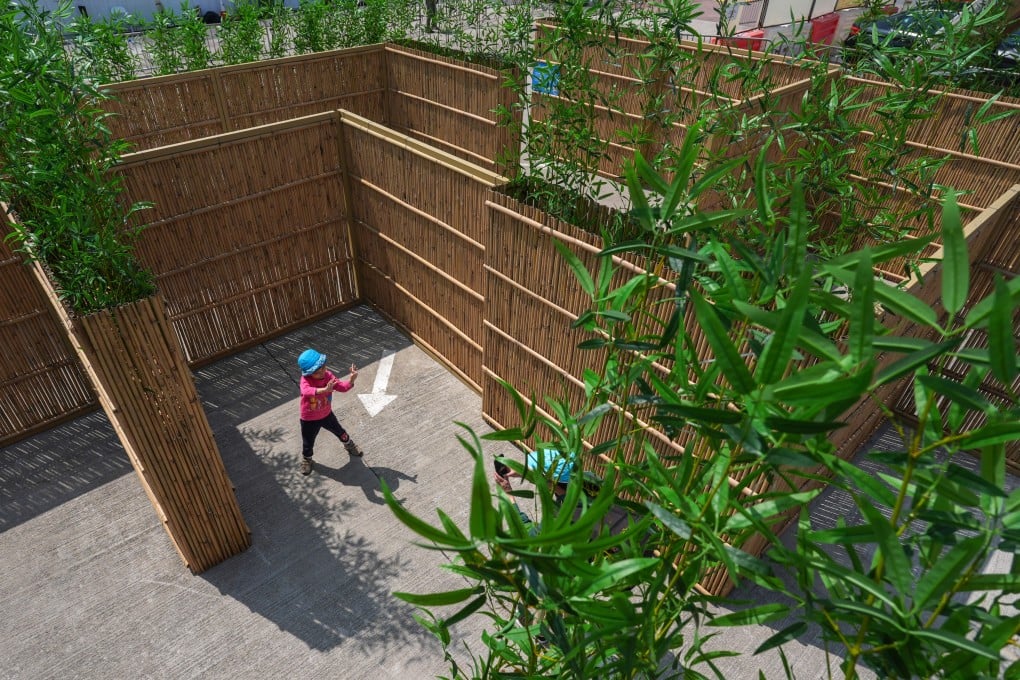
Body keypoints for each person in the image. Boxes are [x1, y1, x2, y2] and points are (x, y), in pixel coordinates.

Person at [296, 348, 362, 475]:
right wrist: (325, 390)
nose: (322, 371)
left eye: (323, 366)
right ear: (308, 373)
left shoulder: (328, 376)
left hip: (326, 414)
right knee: (308, 441)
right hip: (309, 419)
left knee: (340, 432)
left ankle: (349, 445)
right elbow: (306, 392)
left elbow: (342, 387)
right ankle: (307, 459)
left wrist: (352, 380)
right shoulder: (305, 381)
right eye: (317, 370)